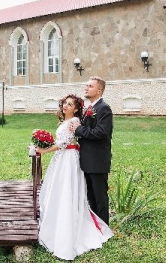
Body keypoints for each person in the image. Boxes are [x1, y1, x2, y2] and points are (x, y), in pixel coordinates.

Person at [35, 94, 113, 261]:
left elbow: (63, 143)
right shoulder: (65, 122)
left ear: (76, 108)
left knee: (67, 190)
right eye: (64, 103)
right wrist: (43, 143)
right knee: (57, 189)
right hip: (62, 159)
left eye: (69, 104)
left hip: (69, 159)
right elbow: (61, 140)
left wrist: (43, 150)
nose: (65, 106)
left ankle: (70, 226)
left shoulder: (75, 122)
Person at [70, 76, 113, 225]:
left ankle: (104, 228)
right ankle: (96, 226)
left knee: (100, 196)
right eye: (86, 85)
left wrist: (79, 129)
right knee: (91, 196)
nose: (86, 88)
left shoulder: (103, 108)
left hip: (97, 160)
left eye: (90, 86)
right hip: (87, 160)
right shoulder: (90, 108)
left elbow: (101, 133)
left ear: (99, 90)